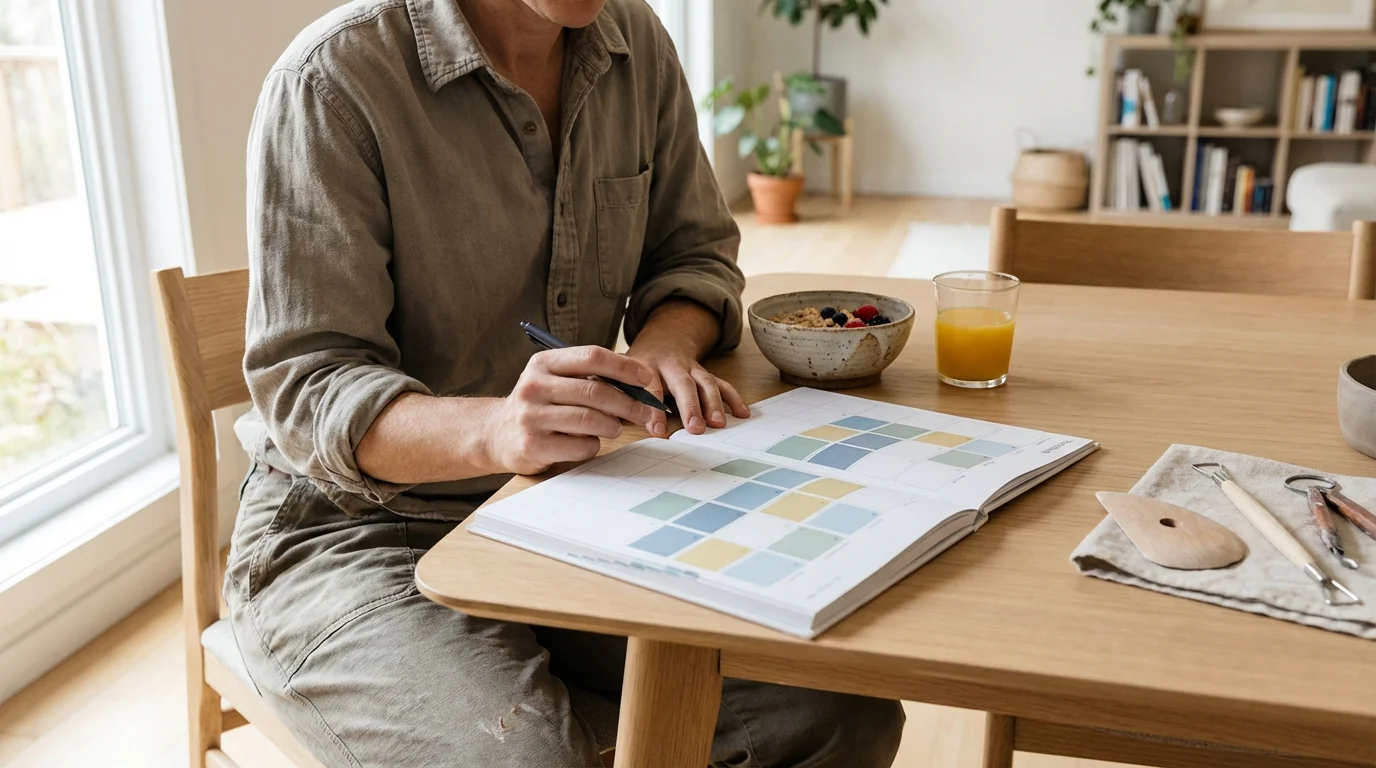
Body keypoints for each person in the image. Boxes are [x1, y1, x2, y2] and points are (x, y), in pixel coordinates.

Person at [227, 0, 906, 764]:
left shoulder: (634, 40)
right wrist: (494, 431)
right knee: (529, 757)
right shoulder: (331, 80)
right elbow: (309, 385)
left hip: (566, 500)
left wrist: (665, 342)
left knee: (840, 712)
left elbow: (695, 253)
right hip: (354, 531)